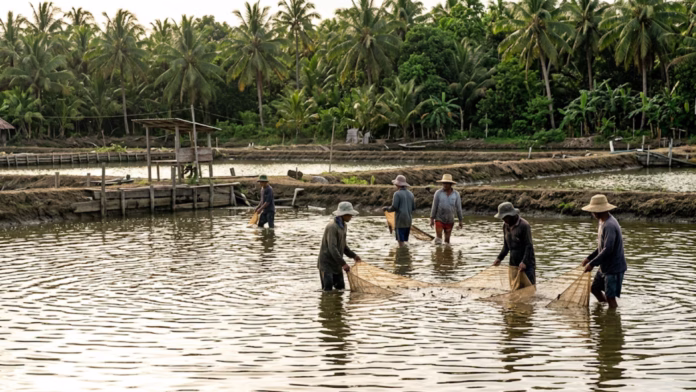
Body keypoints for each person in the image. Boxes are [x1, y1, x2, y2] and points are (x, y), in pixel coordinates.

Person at [581, 194, 627, 309]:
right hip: (605, 266)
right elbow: (601, 246)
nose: (593, 213)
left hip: (614, 268)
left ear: (600, 211)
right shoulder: (602, 221)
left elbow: (608, 249)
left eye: (594, 211)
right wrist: (589, 257)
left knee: (610, 297)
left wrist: (592, 264)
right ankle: (604, 314)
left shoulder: (610, 225)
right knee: (594, 289)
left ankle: (612, 320)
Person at [317, 201, 362, 291]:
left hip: (336, 263)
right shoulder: (332, 227)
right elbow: (332, 248)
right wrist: (343, 264)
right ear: (343, 215)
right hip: (327, 264)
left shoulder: (343, 226)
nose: (351, 217)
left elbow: (343, 246)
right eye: (349, 215)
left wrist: (354, 255)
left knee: (340, 289)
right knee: (327, 291)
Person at [492, 202, 536, 284]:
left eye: (505, 217)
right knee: (515, 289)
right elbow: (506, 246)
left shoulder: (524, 225)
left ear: (511, 215)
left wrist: (524, 262)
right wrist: (499, 258)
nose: (503, 219)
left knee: (529, 290)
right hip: (513, 264)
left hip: (527, 264)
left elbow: (529, 245)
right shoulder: (505, 226)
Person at [382, 175, 416, 247]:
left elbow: (394, 207)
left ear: (397, 184)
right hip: (408, 220)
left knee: (400, 242)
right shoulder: (411, 194)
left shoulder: (397, 194)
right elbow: (413, 208)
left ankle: (401, 255)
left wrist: (386, 208)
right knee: (405, 240)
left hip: (400, 220)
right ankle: (406, 256)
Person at [429, 174, 463, 244]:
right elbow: (434, 206)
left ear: (451, 184)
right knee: (438, 240)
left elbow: (459, 208)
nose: (445, 185)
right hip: (439, 219)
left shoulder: (456, 194)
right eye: (444, 183)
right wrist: (432, 219)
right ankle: (438, 254)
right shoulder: (438, 193)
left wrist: (460, 221)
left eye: (447, 183)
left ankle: (447, 254)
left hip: (450, 220)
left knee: (447, 242)